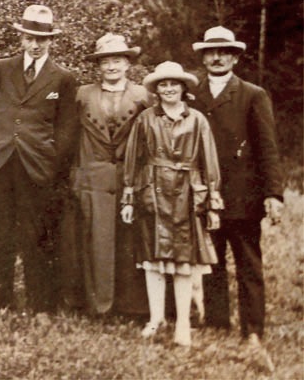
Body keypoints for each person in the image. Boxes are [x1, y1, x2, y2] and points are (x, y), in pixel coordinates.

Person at [190, 26, 283, 356]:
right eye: (211, 52)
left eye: (224, 52)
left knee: (247, 263)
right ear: (203, 57)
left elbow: (267, 148)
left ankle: (253, 329)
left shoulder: (252, 94)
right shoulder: (192, 94)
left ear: (234, 57)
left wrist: (273, 193)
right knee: (211, 260)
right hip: (205, 195)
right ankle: (217, 323)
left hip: (244, 195)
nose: (216, 57)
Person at [0, 5, 78, 313]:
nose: (35, 45)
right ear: (21, 38)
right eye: (30, 38)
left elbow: (66, 130)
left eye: (42, 39)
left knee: (37, 236)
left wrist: (51, 164)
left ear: (51, 41)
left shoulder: (63, 78)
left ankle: (41, 305)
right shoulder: (2, 68)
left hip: (37, 168)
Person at [120, 61, 223, 346]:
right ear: (156, 89)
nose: (168, 89)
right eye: (163, 84)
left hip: (187, 196)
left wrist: (213, 202)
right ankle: (156, 319)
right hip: (152, 192)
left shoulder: (197, 119)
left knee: (183, 263)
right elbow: (133, 159)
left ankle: (183, 324)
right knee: (153, 261)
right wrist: (129, 198)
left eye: (173, 84)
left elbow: (209, 162)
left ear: (183, 87)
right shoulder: (146, 120)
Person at [60, 33, 151, 316]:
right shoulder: (83, 95)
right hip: (92, 179)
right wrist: (75, 175)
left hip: (129, 178)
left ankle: (132, 306)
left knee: (129, 241)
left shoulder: (143, 95)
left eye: (117, 60)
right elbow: (69, 136)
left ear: (128, 64)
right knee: (93, 242)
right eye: (105, 62)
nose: (111, 66)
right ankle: (95, 304)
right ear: (97, 66)